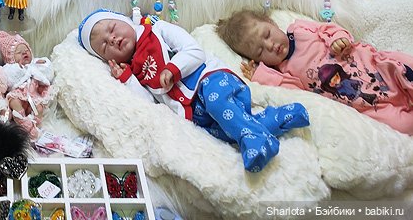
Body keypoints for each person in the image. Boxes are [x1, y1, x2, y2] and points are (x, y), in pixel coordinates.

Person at [79, 9, 310, 172]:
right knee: (221, 132)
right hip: (192, 110)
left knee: (217, 103)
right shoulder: (134, 71)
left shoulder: (157, 30)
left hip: (211, 80)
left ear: (124, 20)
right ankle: (278, 118)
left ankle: (255, 140)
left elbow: (194, 51)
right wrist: (127, 79)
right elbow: (148, 105)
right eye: (105, 46)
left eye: (112, 28)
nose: (113, 39)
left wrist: (174, 68)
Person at [218, 9, 413, 135]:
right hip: (365, 104)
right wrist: (262, 75)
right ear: (257, 60)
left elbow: (329, 29)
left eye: (267, 34)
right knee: (403, 126)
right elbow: (294, 91)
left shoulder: (299, 29)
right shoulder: (282, 70)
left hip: (374, 68)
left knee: (402, 66)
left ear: (272, 22)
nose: (270, 45)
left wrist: (338, 39)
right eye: (260, 51)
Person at [0, 31, 54, 139]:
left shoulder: (35, 63)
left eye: (27, 50)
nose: (24, 53)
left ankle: (34, 124)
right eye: (19, 52)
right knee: (14, 102)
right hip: (19, 94)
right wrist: (19, 68)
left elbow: (48, 74)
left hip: (34, 95)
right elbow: (8, 80)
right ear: (11, 58)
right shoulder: (10, 68)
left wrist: (43, 64)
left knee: (39, 107)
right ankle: (22, 120)